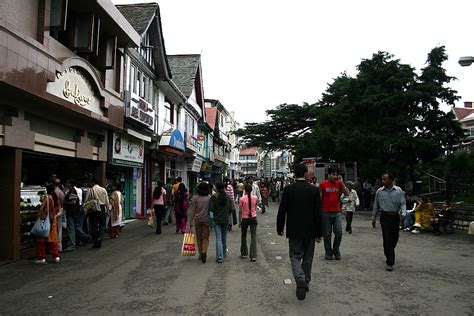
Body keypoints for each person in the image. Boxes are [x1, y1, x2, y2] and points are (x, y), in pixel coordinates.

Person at [277, 164, 322, 301]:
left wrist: (280, 227)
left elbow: (282, 210)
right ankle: (305, 282)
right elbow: (318, 213)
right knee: (308, 258)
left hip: (294, 229)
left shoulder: (289, 190)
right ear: (306, 173)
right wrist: (319, 232)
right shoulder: (313, 190)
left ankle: (299, 278)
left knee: (295, 256)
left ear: (294, 174)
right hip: (310, 230)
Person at [372, 171, 406, 271]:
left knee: (394, 237)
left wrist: (403, 213)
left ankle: (389, 250)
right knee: (387, 238)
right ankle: (390, 262)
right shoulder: (379, 191)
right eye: (382, 179)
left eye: (385, 179)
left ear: (391, 180)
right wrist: (374, 218)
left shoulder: (399, 190)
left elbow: (403, 203)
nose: (383, 181)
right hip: (384, 216)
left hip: (395, 216)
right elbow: (376, 205)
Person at [319, 166, 350, 260]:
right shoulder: (323, 184)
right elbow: (320, 198)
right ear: (328, 175)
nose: (335, 176)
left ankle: (336, 250)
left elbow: (347, 193)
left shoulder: (339, 184)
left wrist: (342, 182)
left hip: (336, 212)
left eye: (336, 174)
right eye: (333, 174)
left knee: (339, 232)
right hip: (325, 212)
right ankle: (328, 252)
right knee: (327, 235)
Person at [35, 184, 62, 264]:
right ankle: (56, 256)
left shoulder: (47, 198)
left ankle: (41, 257)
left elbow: (41, 209)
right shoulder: (56, 198)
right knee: (53, 240)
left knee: (41, 239)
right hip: (53, 220)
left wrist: (38, 218)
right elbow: (58, 209)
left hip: (44, 220)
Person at [209, 181, 232, 263]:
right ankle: (224, 253)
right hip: (225, 219)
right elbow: (231, 209)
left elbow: (211, 210)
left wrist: (211, 221)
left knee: (218, 237)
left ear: (217, 188)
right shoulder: (228, 197)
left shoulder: (214, 197)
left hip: (217, 219)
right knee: (224, 236)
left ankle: (219, 256)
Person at [189, 182, 211, 263]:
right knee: (205, 237)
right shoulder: (209, 198)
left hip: (197, 220)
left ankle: (200, 255)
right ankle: (204, 251)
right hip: (206, 220)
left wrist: (191, 221)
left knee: (198, 238)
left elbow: (194, 211)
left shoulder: (195, 198)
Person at [84, 178, 109, 248]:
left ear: (93, 182)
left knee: (94, 225)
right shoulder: (103, 189)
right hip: (102, 207)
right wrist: (107, 209)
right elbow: (107, 201)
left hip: (93, 209)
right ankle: (100, 237)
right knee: (102, 224)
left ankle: (95, 241)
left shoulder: (91, 189)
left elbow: (86, 200)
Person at [239, 184, 258, 262]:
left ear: (245, 191)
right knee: (253, 236)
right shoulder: (255, 198)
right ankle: (253, 255)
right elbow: (255, 207)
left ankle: (244, 253)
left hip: (245, 218)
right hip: (253, 217)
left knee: (244, 235)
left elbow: (240, 211)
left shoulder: (242, 199)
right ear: (251, 190)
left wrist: (239, 221)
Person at [63, 180, 80, 252]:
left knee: (71, 228)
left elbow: (73, 201)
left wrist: (65, 202)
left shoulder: (72, 191)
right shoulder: (71, 190)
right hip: (74, 212)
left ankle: (72, 245)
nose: (66, 184)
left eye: (67, 182)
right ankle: (75, 242)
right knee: (74, 227)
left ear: (70, 184)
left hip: (71, 212)